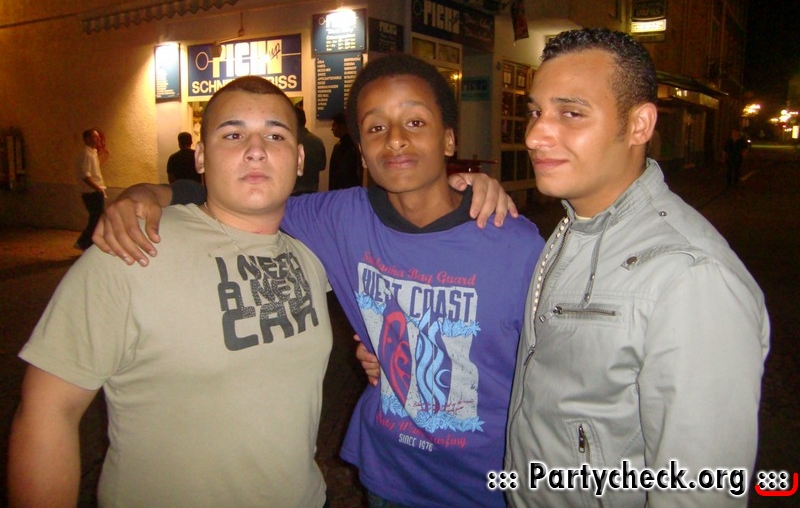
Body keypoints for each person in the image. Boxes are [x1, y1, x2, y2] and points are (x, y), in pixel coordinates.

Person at [93, 54, 544, 508]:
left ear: (448, 139)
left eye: (415, 122)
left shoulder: (515, 244)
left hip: (493, 484)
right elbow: (247, 198)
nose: (396, 140)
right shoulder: (338, 218)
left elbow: (556, 377)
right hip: (388, 474)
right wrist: (152, 192)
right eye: (375, 128)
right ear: (361, 149)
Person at [8, 77, 332, 507]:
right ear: (200, 157)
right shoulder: (131, 250)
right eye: (232, 135)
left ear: (299, 159)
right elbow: (49, 410)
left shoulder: (313, 255)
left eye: (275, 136)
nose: (256, 150)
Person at [504, 28, 770, 506]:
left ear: (639, 125)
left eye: (571, 113)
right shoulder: (574, 228)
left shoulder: (693, 278)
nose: (535, 134)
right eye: (536, 112)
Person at [74, 128, 107, 251]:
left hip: (94, 191)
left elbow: (94, 170)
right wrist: (97, 188)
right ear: (87, 139)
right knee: (96, 218)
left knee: (96, 218)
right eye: (95, 137)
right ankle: (84, 242)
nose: (98, 139)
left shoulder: (92, 153)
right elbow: (85, 175)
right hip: (91, 192)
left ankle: (87, 242)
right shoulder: (86, 154)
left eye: (98, 137)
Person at [293, 100, 327, 194]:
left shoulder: (289, 142)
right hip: (312, 189)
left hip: (293, 191)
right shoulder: (317, 141)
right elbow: (322, 166)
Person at [328, 111, 363, 189]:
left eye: (334, 125)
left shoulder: (343, 146)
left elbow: (341, 174)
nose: (332, 129)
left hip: (342, 189)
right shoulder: (354, 144)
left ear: (342, 126)